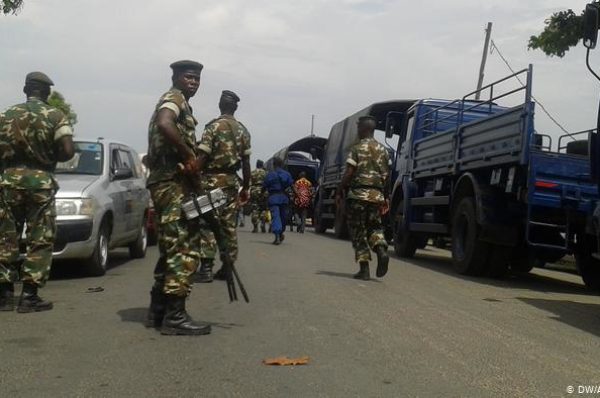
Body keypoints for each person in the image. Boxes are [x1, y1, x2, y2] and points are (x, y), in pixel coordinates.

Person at [144, 60, 211, 335]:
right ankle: (175, 316)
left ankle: (158, 310)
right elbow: (164, 122)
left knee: (171, 247)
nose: (193, 82)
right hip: (171, 184)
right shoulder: (173, 99)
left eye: (196, 78)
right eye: (188, 77)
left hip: (168, 183)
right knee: (183, 247)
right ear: (175, 77)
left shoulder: (180, 100)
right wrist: (188, 155)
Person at [0, 71, 75, 312]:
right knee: (39, 239)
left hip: (8, 182)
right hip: (41, 183)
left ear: (25, 90)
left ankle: (4, 294)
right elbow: (67, 150)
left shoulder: (5, 115)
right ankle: (29, 296)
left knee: (5, 237)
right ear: (47, 93)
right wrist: (50, 157)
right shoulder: (56, 116)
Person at [194, 90, 251, 283]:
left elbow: (202, 156)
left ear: (220, 105)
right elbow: (246, 163)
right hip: (232, 185)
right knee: (228, 226)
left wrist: (194, 176)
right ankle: (228, 267)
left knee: (207, 224)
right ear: (235, 107)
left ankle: (207, 268)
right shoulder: (243, 130)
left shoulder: (212, 127)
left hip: (211, 183)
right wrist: (246, 188)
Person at [335, 116, 390, 281]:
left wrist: (339, 190)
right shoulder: (383, 150)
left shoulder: (357, 148)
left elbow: (349, 172)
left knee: (358, 232)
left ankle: (364, 270)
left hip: (358, 195)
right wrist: (385, 197)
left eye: (358, 128)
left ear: (364, 129)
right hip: (377, 196)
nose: (357, 131)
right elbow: (386, 176)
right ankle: (381, 250)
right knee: (375, 227)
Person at [263, 157, 293, 245]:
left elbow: (264, 186)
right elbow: (292, 185)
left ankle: (277, 236)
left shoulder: (270, 174)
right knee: (283, 217)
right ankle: (280, 233)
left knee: (276, 217)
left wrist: (261, 194)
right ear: (282, 164)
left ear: (273, 164)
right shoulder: (287, 174)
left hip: (273, 198)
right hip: (284, 198)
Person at [250, 160, 268, 233]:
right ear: (262, 165)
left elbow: (249, 183)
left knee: (255, 209)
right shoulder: (266, 173)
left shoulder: (253, 172)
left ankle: (255, 227)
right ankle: (263, 224)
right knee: (263, 208)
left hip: (254, 190)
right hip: (264, 192)